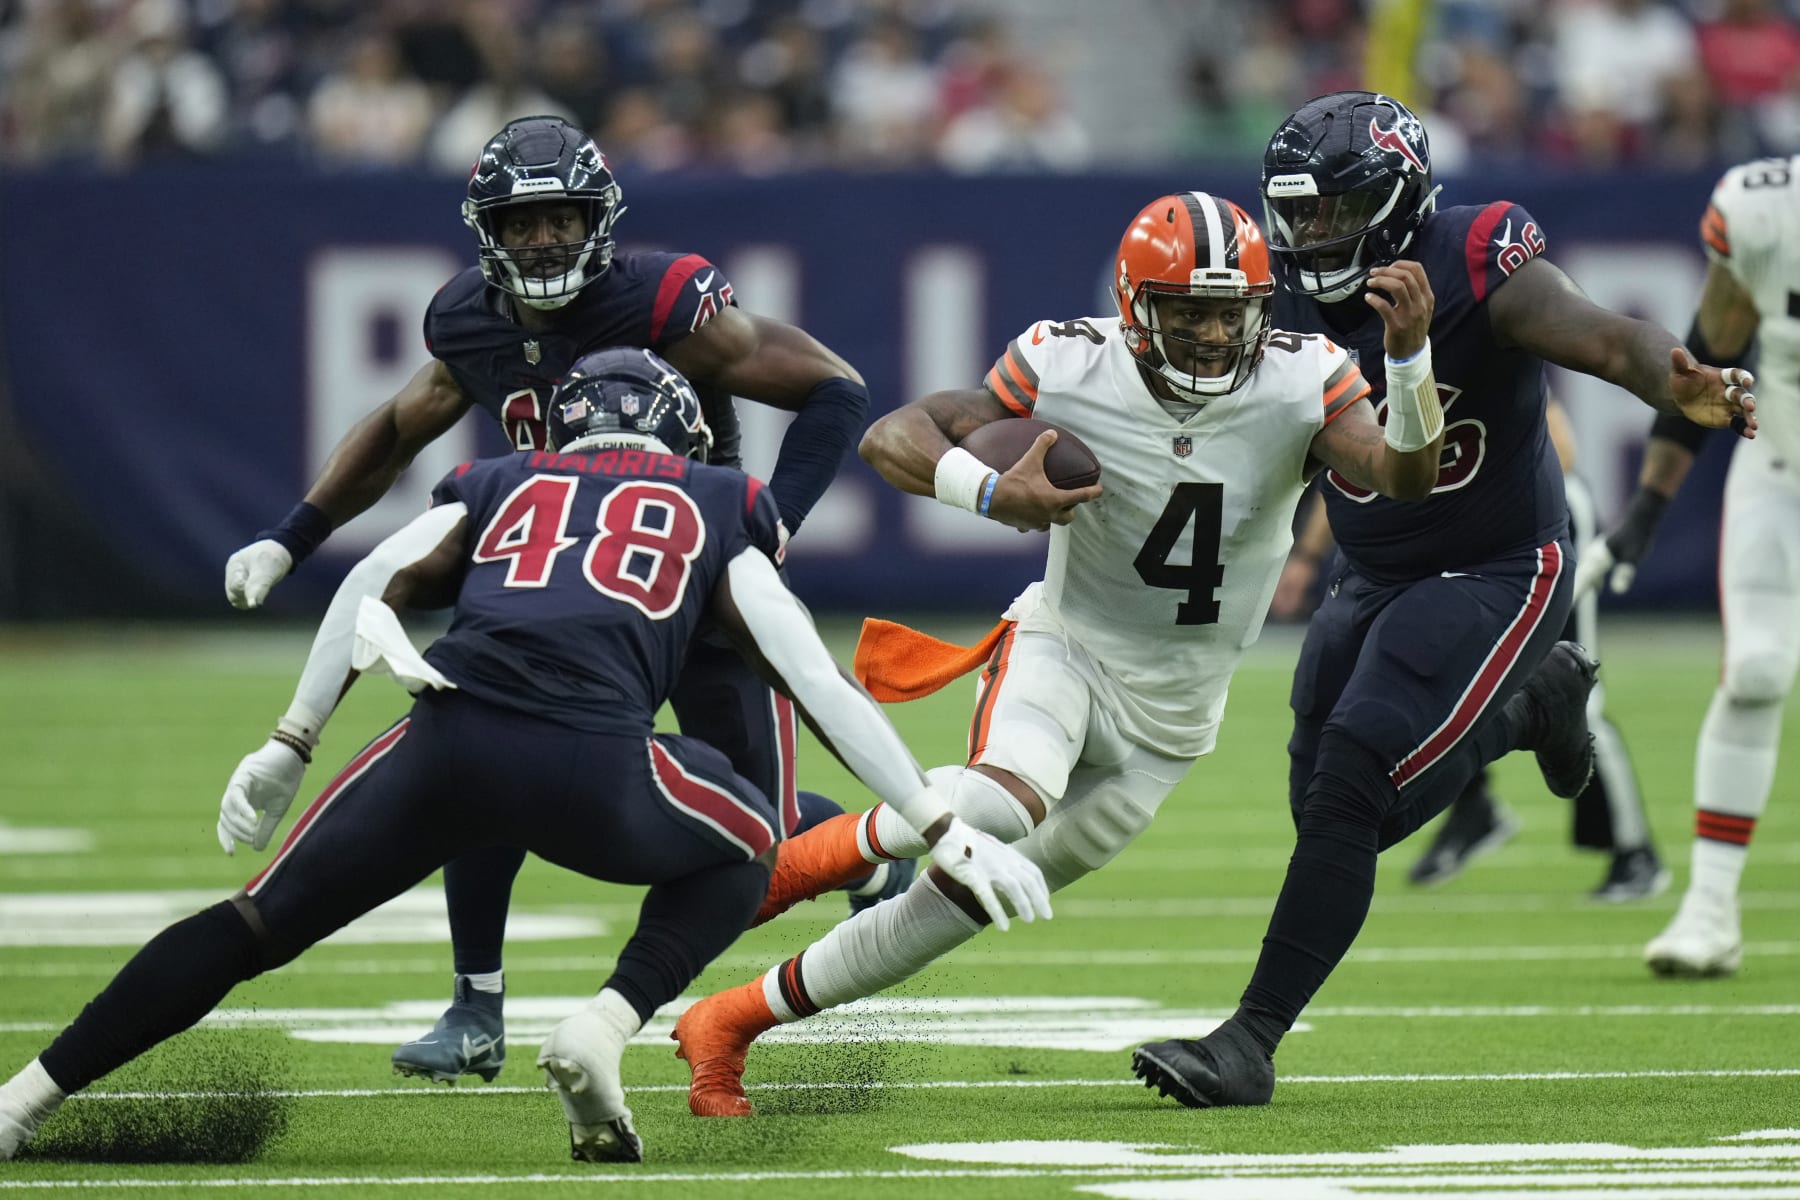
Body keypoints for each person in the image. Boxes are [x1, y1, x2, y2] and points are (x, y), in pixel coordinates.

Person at [0, 349, 1050, 1165]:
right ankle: (605, 1024)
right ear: (685, 437)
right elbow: (813, 681)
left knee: (252, 924)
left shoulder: (499, 477)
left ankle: (24, 1101)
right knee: (745, 830)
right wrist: (942, 822)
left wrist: (290, 741)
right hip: (593, 759)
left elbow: (374, 578)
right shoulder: (718, 501)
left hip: (442, 732)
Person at [666, 190, 1450, 1118]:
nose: (1209, 335)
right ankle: (775, 872)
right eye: (1187, 312)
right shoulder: (1070, 363)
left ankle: (726, 1020)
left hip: (1179, 718)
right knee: (1000, 802)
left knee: (969, 899)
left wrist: (1407, 361)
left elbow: (1407, 476)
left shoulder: (1301, 377)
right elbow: (892, 437)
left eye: (1228, 312)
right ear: (1134, 308)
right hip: (1070, 646)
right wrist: (993, 493)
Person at [220, 115, 905, 1085]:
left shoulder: (669, 305)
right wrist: (293, 535)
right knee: (485, 767)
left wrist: (771, 521)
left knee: (763, 823)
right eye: (523, 219)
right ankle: (475, 1004)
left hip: (684, 587)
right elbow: (395, 427)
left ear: (601, 218)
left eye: (562, 215)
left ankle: (866, 853)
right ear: (486, 228)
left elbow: (835, 391)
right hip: (538, 582)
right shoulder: (469, 319)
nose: (543, 237)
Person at [1129, 90, 1756, 1109]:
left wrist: (1670, 380)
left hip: (1500, 564)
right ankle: (1533, 708)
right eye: (1303, 215)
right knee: (1331, 820)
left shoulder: (1476, 262)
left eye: (1339, 212)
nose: (1315, 237)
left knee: (1352, 777)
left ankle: (1251, 1039)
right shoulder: (1274, 301)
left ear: (1401, 200)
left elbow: (1602, 337)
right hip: (1373, 566)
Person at [1276, 402, 1670, 902]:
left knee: (1568, 677)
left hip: (1529, 524)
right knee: (1421, 675)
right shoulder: (1350, 359)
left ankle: (1634, 852)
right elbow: (1350, 474)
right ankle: (1473, 806)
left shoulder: (1463, 335)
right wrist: (1309, 556)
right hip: (1440, 522)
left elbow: (1557, 442)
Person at [1579, 154, 1790, 978]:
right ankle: (1710, 908)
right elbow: (1710, 352)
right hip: (1784, 466)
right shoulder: (1765, 212)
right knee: (1758, 670)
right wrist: (1648, 512)